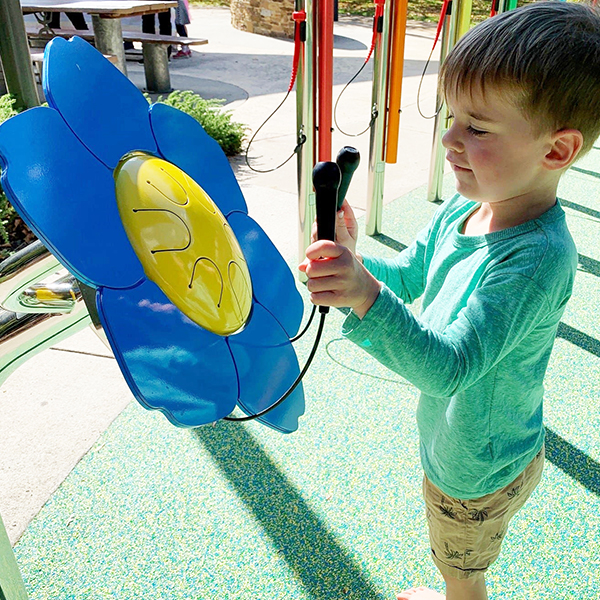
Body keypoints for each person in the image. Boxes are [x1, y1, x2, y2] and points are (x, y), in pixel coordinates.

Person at [300, 3, 600, 599]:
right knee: (451, 555)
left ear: (557, 151)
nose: (449, 139)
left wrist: (363, 296)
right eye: (452, 117)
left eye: (478, 128)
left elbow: (450, 368)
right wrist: (356, 265)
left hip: (477, 469)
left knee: (460, 568)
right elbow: (412, 276)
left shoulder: (536, 259)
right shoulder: (468, 206)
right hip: (462, 438)